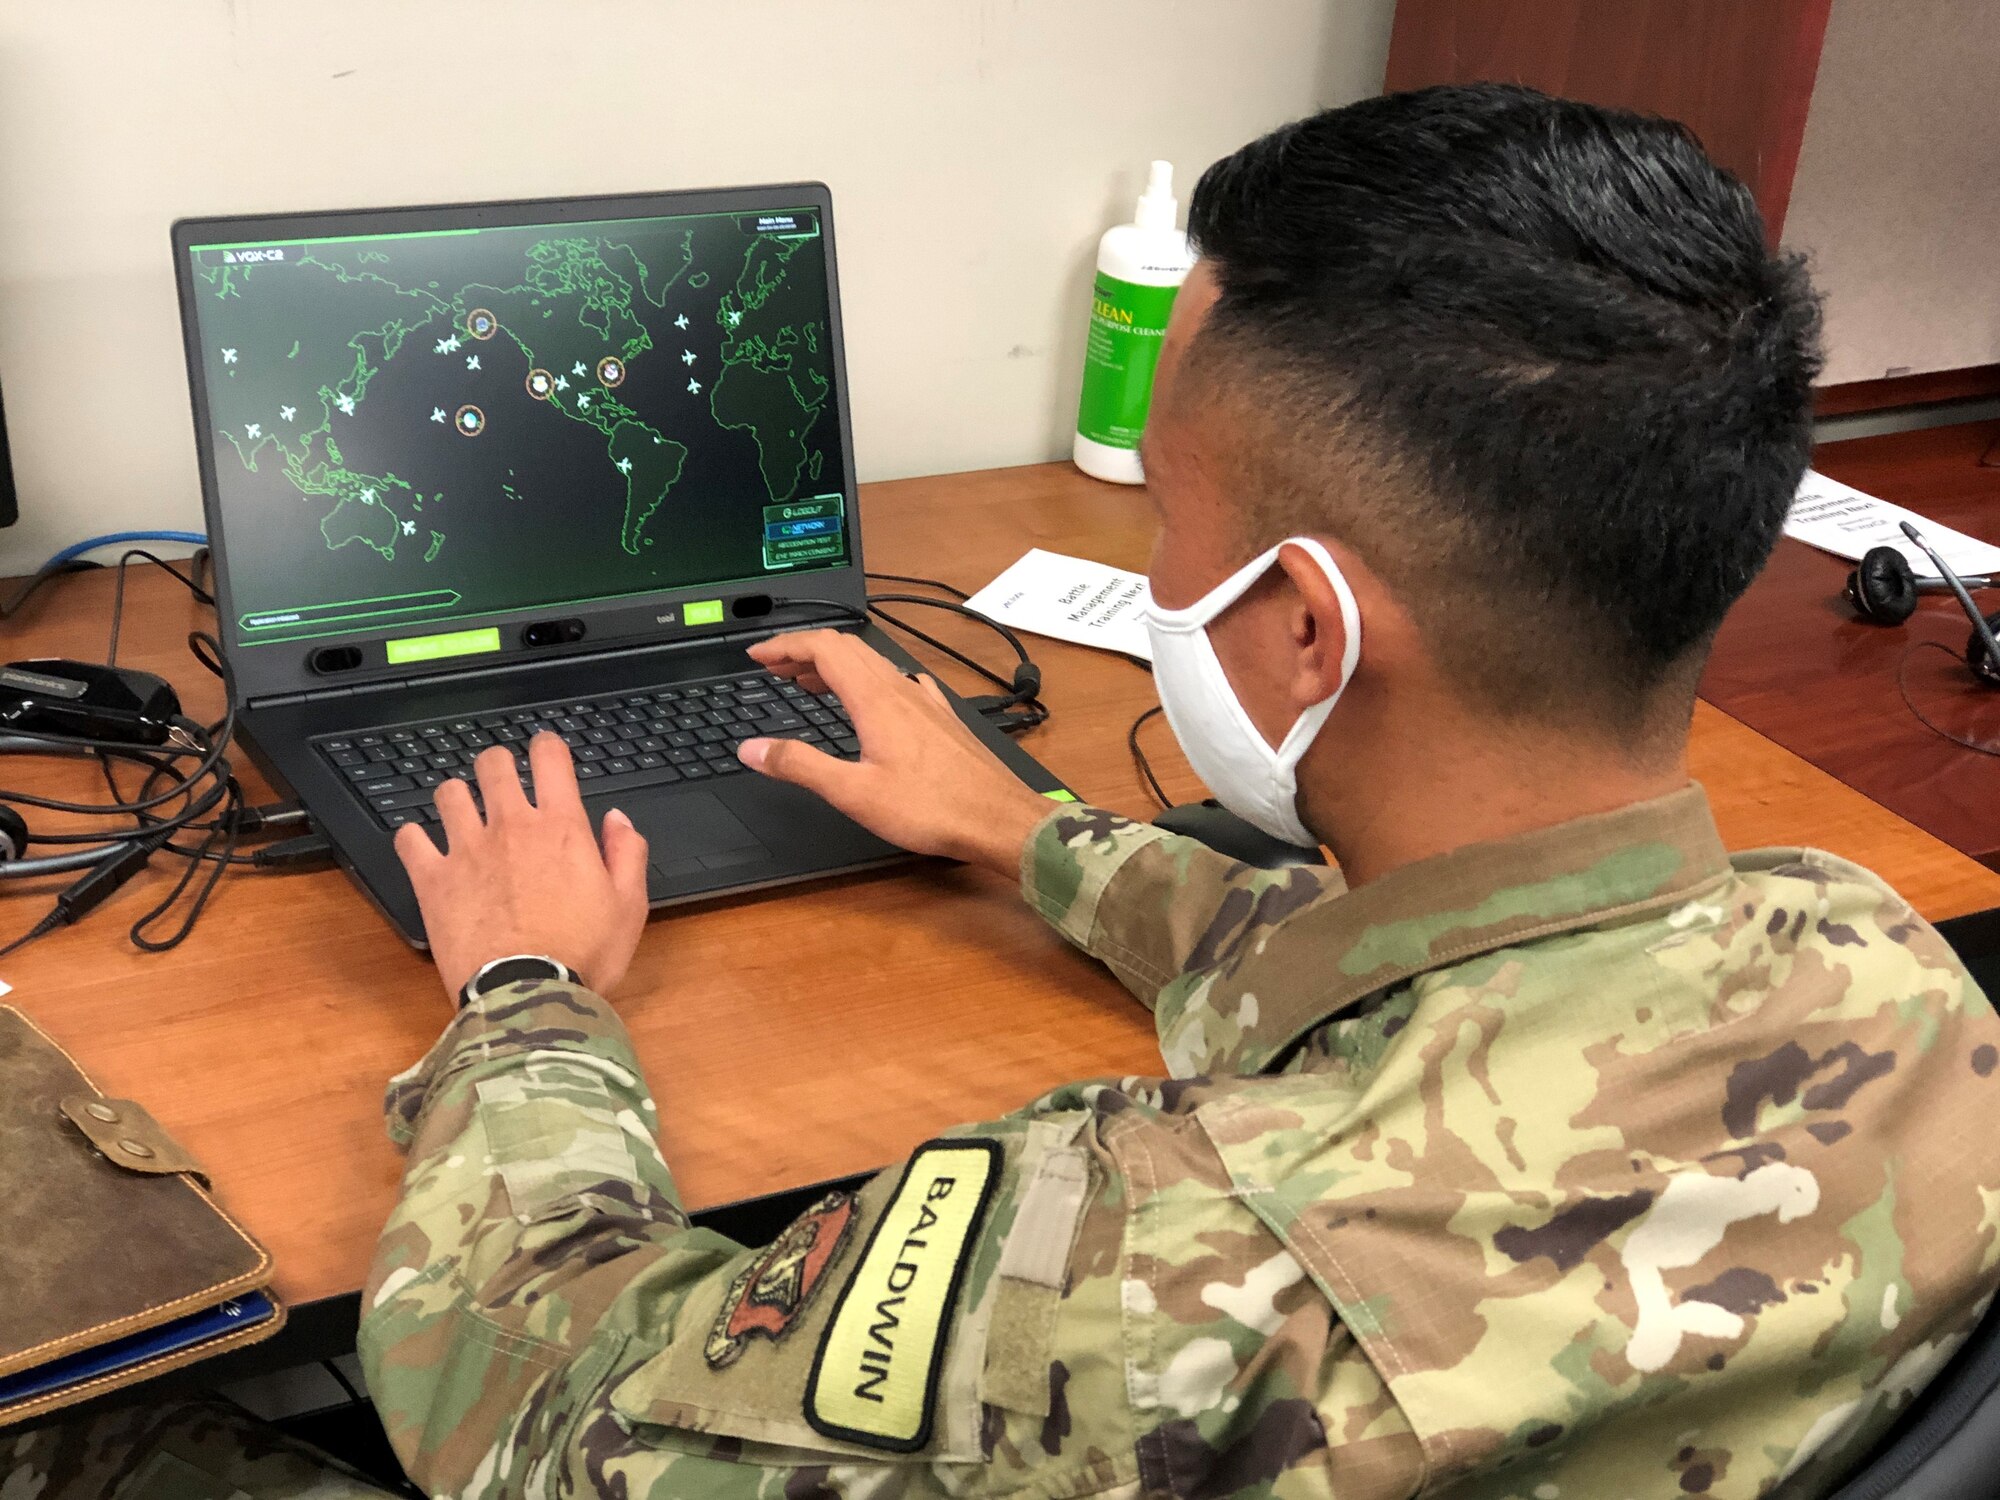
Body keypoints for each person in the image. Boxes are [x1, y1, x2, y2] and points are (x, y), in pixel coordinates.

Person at [357, 85, 2000, 1500]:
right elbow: (1423, 985)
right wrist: (1027, 831)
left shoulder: (1131, 1271)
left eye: (1168, 527)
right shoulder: (1890, 970)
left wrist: (525, 996)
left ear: (1302, 629)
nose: (1157, 570)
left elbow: (535, 1422)